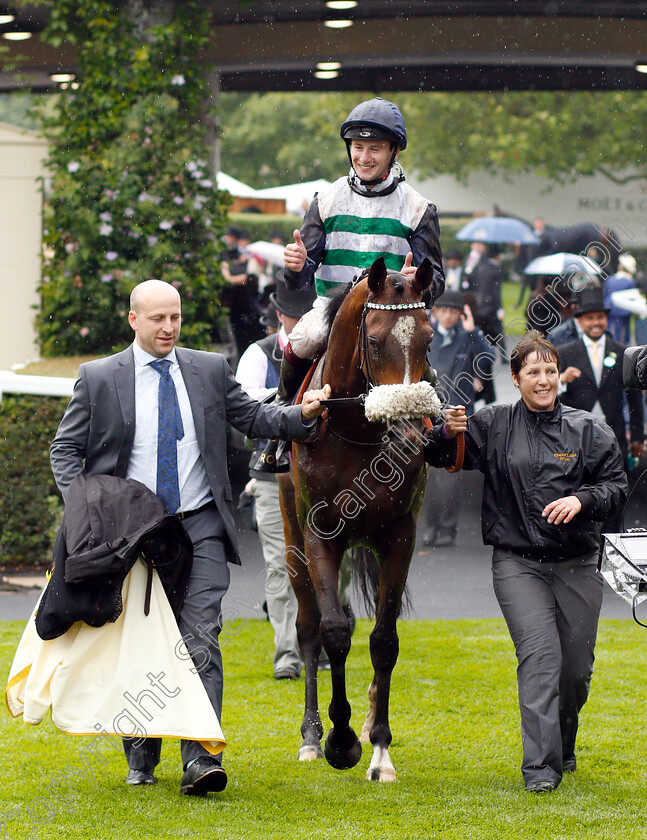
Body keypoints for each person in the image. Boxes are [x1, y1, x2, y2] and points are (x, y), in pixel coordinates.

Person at [49, 279, 330, 796]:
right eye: (157, 318)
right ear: (133, 319)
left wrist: (302, 415)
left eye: (174, 317)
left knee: (200, 636)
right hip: (131, 534)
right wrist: (87, 507)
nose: (168, 327)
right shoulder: (99, 378)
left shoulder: (206, 368)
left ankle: (201, 757)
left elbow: (253, 417)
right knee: (142, 644)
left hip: (199, 524)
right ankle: (141, 749)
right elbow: (65, 451)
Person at [424, 330, 627, 792]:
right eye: (533, 372)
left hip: (577, 562)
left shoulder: (589, 430)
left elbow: (615, 487)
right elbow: (438, 455)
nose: (543, 380)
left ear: (559, 376)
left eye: (550, 371)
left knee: (575, 670)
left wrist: (582, 500)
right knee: (540, 658)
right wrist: (444, 432)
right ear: (514, 378)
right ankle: (540, 769)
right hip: (518, 563)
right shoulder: (493, 423)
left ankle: (563, 742)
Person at [258, 97, 445, 471]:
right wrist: (296, 266)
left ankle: (436, 435)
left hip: (392, 318)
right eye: (358, 147)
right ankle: (279, 431)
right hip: (332, 312)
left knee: (426, 371)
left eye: (374, 148)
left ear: (393, 151)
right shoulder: (325, 199)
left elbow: (436, 278)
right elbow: (305, 269)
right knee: (298, 345)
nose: (364, 157)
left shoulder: (419, 208)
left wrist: (418, 282)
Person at [235, 275, 316, 680]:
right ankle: (287, 651)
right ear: (280, 316)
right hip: (270, 471)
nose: (302, 323)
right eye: (295, 316)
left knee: (333, 563)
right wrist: (296, 405)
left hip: (320, 476)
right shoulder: (259, 353)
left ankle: (322, 633)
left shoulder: (326, 350)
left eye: (308, 315)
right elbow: (245, 404)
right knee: (279, 565)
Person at [422, 290, 495, 547]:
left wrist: (474, 330)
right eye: (444, 309)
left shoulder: (467, 338)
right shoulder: (427, 336)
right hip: (432, 414)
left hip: (458, 412)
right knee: (431, 476)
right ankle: (431, 525)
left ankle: (448, 528)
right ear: (436, 311)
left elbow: (490, 358)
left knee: (453, 474)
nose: (449, 315)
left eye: (454, 311)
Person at [558, 286, 645, 468]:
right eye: (590, 318)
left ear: (606, 319)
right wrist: (562, 381)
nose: (596, 323)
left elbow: (635, 399)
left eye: (600, 317)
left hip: (615, 436)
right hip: (576, 437)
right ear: (580, 321)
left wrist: (636, 438)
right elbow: (551, 398)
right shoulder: (565, 353)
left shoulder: (623, 352)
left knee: (617, 487)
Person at [603, 252, 637, 344]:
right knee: (622, 339)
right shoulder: (630, 282)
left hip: (609, 313)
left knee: (610, 336)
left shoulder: (610, 279)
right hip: (623, 314)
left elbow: (605, 295)